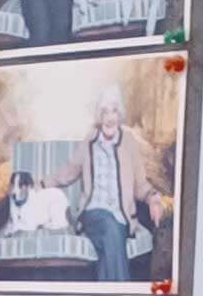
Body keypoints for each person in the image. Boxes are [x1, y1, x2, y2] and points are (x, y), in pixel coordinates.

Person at [55, 91, 165, 284]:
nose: (109, 117)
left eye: (114, 111)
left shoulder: (129, 143)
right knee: (110, 229)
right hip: (93, 213)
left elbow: (140, 184)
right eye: (105, 112)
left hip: (121, 217)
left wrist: (153, 199)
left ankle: (107, 294)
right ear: (99, 116)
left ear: (119, 115)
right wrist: (40, 183)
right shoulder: (89, 142)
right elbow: (69, 170)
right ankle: (123, 295)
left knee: (111, 237)